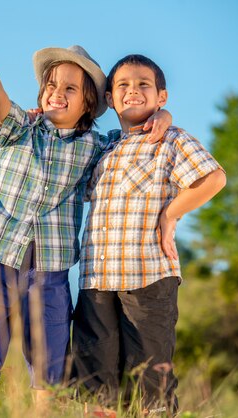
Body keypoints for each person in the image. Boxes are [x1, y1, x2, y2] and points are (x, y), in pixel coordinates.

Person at [0, 30, 171, 413]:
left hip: (50, 272)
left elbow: (137, 129)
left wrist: (162, 114)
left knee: (49, 363)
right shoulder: (22, 129)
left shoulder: (97, 146)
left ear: (88, 105)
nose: (57, 93)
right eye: (51, 85)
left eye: (70, 89)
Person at [70, 54, 227, 415]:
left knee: (150, 380)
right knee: (96, 381)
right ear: (110, 99)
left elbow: (213, 178)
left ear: (162, 97)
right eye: (123, 86)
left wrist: (171, 215)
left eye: (144, 85)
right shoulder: (103, 147)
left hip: (148, 277)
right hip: (96, 281)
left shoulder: (170, 139)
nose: (133, 91)